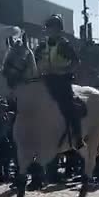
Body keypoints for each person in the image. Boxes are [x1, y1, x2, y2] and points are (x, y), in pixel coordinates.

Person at [35, 14, 82, 149]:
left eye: (53, 28)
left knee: (67, 105)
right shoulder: (42, 45)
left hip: (61, 80)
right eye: (48, 28)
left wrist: (64, 70)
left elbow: (75, 62)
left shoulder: (64, 45)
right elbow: (34, 60)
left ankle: (78, 136)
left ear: (59, 30)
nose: (50, 31)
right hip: (45, 79)